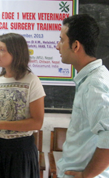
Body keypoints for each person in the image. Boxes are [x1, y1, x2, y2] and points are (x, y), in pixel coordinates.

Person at [0, 33, 45, 178]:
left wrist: (0, 125)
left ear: (16, 53)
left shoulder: (32, 81)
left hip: (21, 149)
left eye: (2, 50)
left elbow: (37, 122)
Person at [56, 14, 109, 178]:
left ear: (76, 45)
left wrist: (86, 175)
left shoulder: (94, 84)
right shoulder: (90, 80)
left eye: (62, 40)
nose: (58, 46)